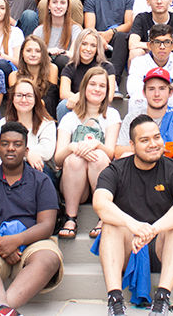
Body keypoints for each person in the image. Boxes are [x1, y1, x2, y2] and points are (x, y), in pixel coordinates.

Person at [94, 115, 173, 316]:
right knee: (110, 223)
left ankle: (163, 298)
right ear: (132, 145)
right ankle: (114, 300)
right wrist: (133, 225)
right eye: (144, 140)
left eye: (156, 137)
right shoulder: (116, 170)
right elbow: (100, 203)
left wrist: (153, 229)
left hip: (163, 248)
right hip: (129, 248)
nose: (153, 144)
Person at [0, 121, 63, 316]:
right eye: (5, 143)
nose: (10, 148)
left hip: (32, 241)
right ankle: (5, 311)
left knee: (49, 258)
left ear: (26, 150)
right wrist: (2, 243)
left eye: (17, 144)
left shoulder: (41, 181)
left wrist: (16, 240)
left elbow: (47, 225)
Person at [54, 67, 121, 239]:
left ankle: (103, 217)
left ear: (107, 91)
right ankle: (70, 217)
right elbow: (58, 159)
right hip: (76, 183)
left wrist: (97, 144)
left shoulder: (111, 115)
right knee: (74, 159)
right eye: (92, 84)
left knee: (99, 156)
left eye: (102, 86)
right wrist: (72, 147)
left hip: (99, 179)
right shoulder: (70, 118)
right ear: (84, 87)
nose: (97, 89)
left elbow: (111, 153)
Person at [117, 67, 173, 171]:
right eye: (151, 89)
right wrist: (151, 149)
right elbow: (119, 150)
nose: (157, 94)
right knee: (126, 155)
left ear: (170, 93)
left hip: (166, 168)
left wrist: (146, 147)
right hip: (138, 167)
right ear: (144, 93)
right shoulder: (133, 117)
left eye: (162, 88)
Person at [0, 78, 57, 186]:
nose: (24, 100)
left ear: (36, 99)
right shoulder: (2, 124)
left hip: (39, 172)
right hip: (8, 168)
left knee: (32, 163)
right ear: (12, 98)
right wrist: (27, 153)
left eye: (29, 96)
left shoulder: (47, 124)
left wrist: (23, 154)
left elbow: (46, 151)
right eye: (19, 95)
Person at [83, 0, 134, 82]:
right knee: (89, 38)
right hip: (99, 39)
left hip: (120, 41)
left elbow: (129, 24)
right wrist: (100, 38)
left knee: (121, 36)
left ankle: (114, 81)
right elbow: (90, 28)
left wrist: (111, 33)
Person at [126, 23, 173, 113]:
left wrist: (152, 88)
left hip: (171, 108)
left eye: (167, 42)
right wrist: (172, 87)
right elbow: (134, 89)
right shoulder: (138, 62)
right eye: (157, 42)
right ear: (149, 46)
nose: (162, 47)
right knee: (137, 100)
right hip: (146, 108)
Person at [57, 29, 117, 123]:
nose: (88, 49)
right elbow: (64, 93)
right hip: (78, 108)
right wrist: (81, 102)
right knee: (64, 105)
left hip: (98, 106)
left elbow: (109, 96)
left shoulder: (107, 67)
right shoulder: (70, 67)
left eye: (93, 45)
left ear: (97, 48)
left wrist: (81, 96)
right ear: (78, 45)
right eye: (84, 44)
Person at [10, 35, 59, 120]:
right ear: (22, 53)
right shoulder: (14, 76)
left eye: (38, 51)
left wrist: (28, 102)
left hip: (46, 117)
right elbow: (15, 103)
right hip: (21, 117)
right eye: (28, 51)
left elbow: (50, 101)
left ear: (43, 54)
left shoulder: (52, 69)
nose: (33, 54)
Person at [34, 0, 82, 76]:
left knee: (61, 60)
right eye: (54, 2)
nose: (58, 6)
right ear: (49, 5)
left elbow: (72, 55)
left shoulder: (75, 29)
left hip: (66, 71)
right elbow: (34, 55)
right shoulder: (39, 30)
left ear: (67, 7)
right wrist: (47, 52)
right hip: (45, 71)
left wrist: (59, 53)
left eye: (63, 3)